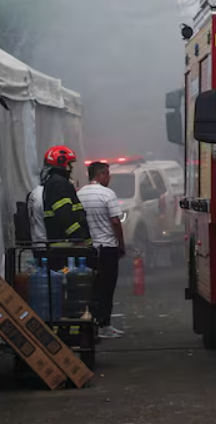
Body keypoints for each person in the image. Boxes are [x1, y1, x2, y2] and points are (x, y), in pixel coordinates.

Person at [78, 162, 126, 339]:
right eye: (108, 174)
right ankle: (104, 324)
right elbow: (115, 222)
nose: (109, 178)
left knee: (90, 288)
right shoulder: (107, 194)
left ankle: (89, 322)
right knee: (107, 288)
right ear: (102, 175)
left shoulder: (79, 193)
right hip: (107, 249)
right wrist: (121, 244)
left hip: (87, 250)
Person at [41, 145, 91, 247]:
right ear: (61, 163)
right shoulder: (59, 183)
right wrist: (78, 237)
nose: (71, 168)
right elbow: (64, 214)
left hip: (65, 244)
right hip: (67, 245)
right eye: (69, 164)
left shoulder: (54, 182)